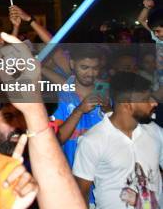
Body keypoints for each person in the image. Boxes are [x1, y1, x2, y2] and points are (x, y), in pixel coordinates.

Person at [74, 71, 161, 208]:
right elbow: (81, 193)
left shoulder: (156, 132)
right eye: (146, 99)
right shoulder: (93, 140)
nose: (154, 103)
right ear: (127, 105)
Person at [53, 46, 107, 168]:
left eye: (95, 68)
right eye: (84, 67)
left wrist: (109, 110)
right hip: (71, 175)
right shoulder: (60, 97)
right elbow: (56, 140)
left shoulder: (106, 91)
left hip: (104, 177)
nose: (90, 74)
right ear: (72, 64)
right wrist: (79, 110)